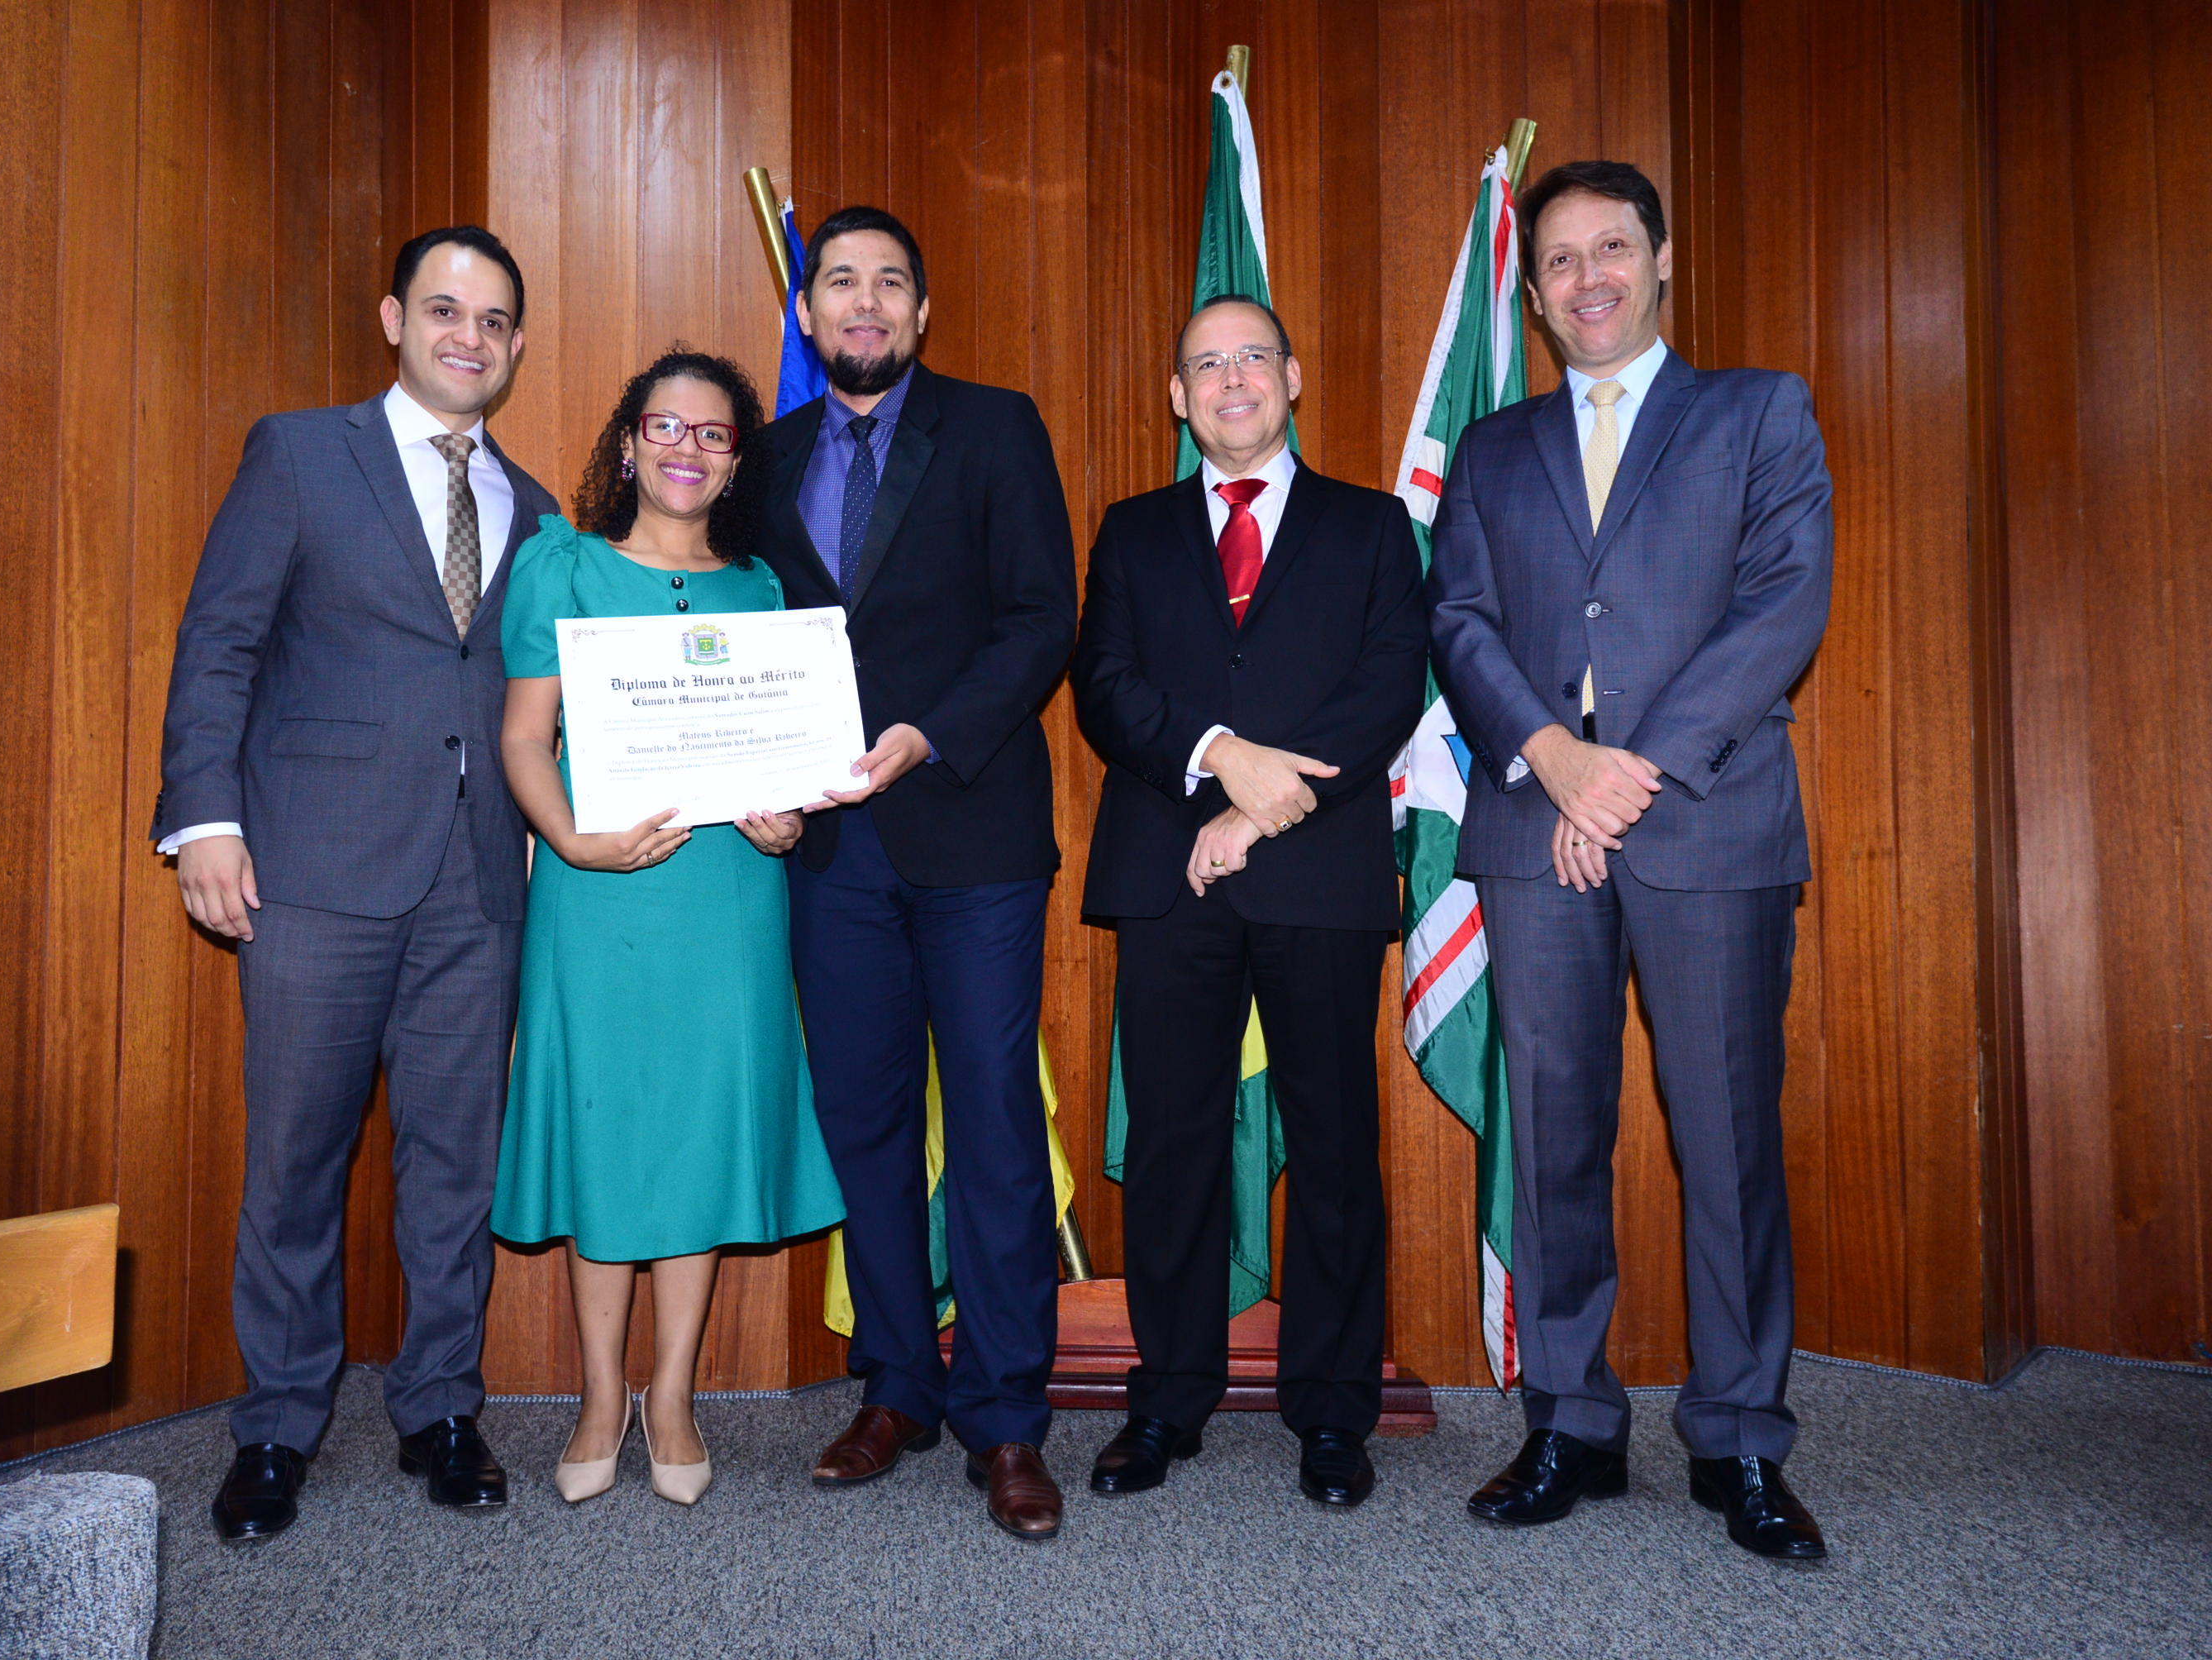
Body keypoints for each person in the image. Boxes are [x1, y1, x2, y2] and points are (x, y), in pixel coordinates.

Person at [1425, 160, 1835, 1561]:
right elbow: (1461, 620)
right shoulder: (1491, 448)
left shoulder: (1758, 411)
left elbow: (1783, 601)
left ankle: (1741, 1438)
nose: (1587, 276)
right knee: (1553, 1135)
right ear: (1534, 297)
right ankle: (1570, 1423)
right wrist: (1557, 760)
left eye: (1612, 248)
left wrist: (1628, 771)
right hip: (1534, 821)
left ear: (1662, 260)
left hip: (1707, 821)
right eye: (1559, 260)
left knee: (1727, 1136)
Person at [154, 226, 559, 1542]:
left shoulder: (538, 510)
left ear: (514, 345)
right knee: (295, 1162)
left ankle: (441, 1410)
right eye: (444, 310)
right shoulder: (298, 453)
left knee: (455, 1168)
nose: (467, 337)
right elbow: (220, 640)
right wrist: (203, 820)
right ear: (394, 318)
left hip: (477, 885)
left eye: (492, 321)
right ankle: (276, 1427)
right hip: (311, 871)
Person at [755, 206, 1080, 1541]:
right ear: (808, 310)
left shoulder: (994, 427)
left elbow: (1042, 616)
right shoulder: (765, 455)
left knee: (995, 1125)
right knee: (866, 1121)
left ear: (922, 311)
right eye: (841, 281)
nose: (866, 302)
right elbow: (741, 636)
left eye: (891, 281)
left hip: (972, 828)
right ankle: (897, 1385)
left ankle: (1005, 1417)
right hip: (829, 851)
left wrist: (927, 734)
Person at [1072, 297, 1428, 1510]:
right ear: (1179, 397)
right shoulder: (1132, 530)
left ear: (1293, 375)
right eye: (1207, 365)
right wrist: (1218, 757)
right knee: (1172, 1143)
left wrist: (1258, 812)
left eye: (1253, 358)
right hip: (1167, 872)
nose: (1233, 381)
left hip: (1317, 871)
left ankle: (1332, 1411)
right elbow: (1105, 687)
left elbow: (1387, 689)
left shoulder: (1373, 527)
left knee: (1333, 1144)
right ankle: (1167, 1398)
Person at [492, 350, 846, 1507]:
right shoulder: (564, 566)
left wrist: (787, 821)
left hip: (728, 899)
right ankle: (600, 1396)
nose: (687, 449)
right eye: (666, 427)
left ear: (737, 461)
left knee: (697, 1135)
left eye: (714, 434)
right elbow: (523, 739)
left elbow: (787, 764)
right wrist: (570, 839)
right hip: (596, 895)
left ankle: (675, 1394)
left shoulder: (764, 592)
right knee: (607, 1134)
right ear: (629, 442)